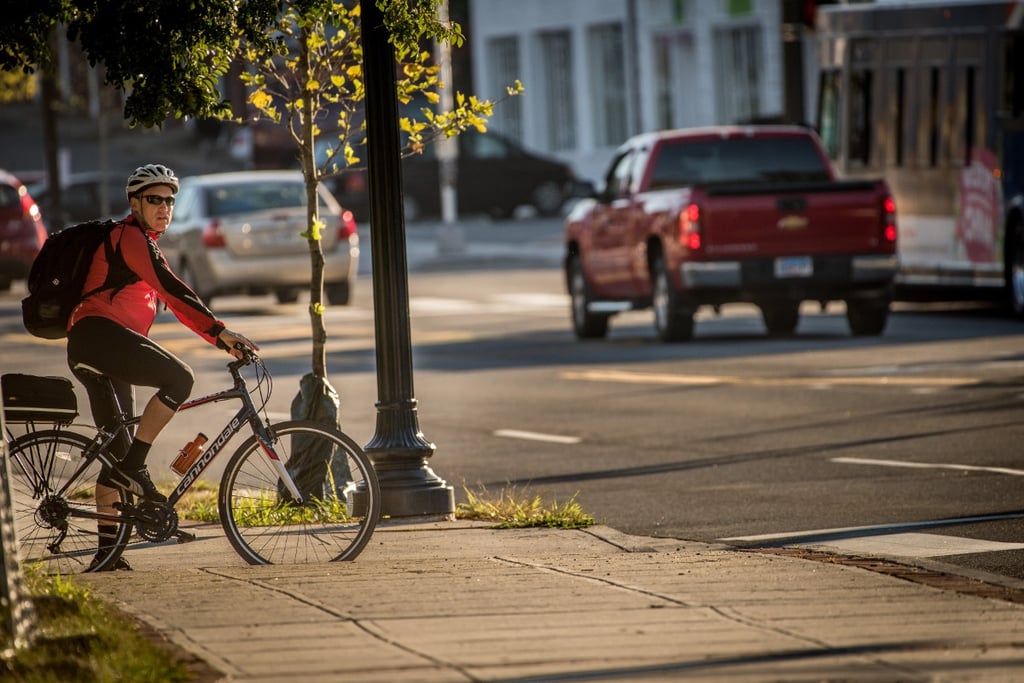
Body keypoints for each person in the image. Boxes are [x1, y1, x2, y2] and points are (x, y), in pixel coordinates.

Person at [66, 163, 259, 571]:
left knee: (115, 459)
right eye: (155, 200)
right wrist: (222, 333)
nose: (165, 208)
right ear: (134, 203)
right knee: (179, 378)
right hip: (100, 338)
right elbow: (174, 288)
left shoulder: (140, 244)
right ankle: (137, 466)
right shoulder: (130, 238)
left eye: (170, 201)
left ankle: (108, 553)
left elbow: (175, 305)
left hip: (97, 348)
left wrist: (214, 335)